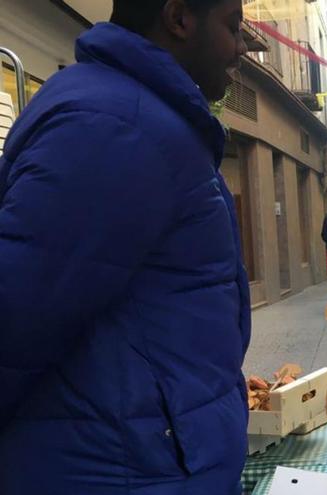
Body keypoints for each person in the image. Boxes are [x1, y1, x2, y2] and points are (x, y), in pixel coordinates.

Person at [0, 1, 251, 494]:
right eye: (232, 28)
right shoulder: (117, 126)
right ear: (179, 18)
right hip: (125, 470)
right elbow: (16, 321)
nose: (241, 49)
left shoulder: (139, 115)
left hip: (151, 457)